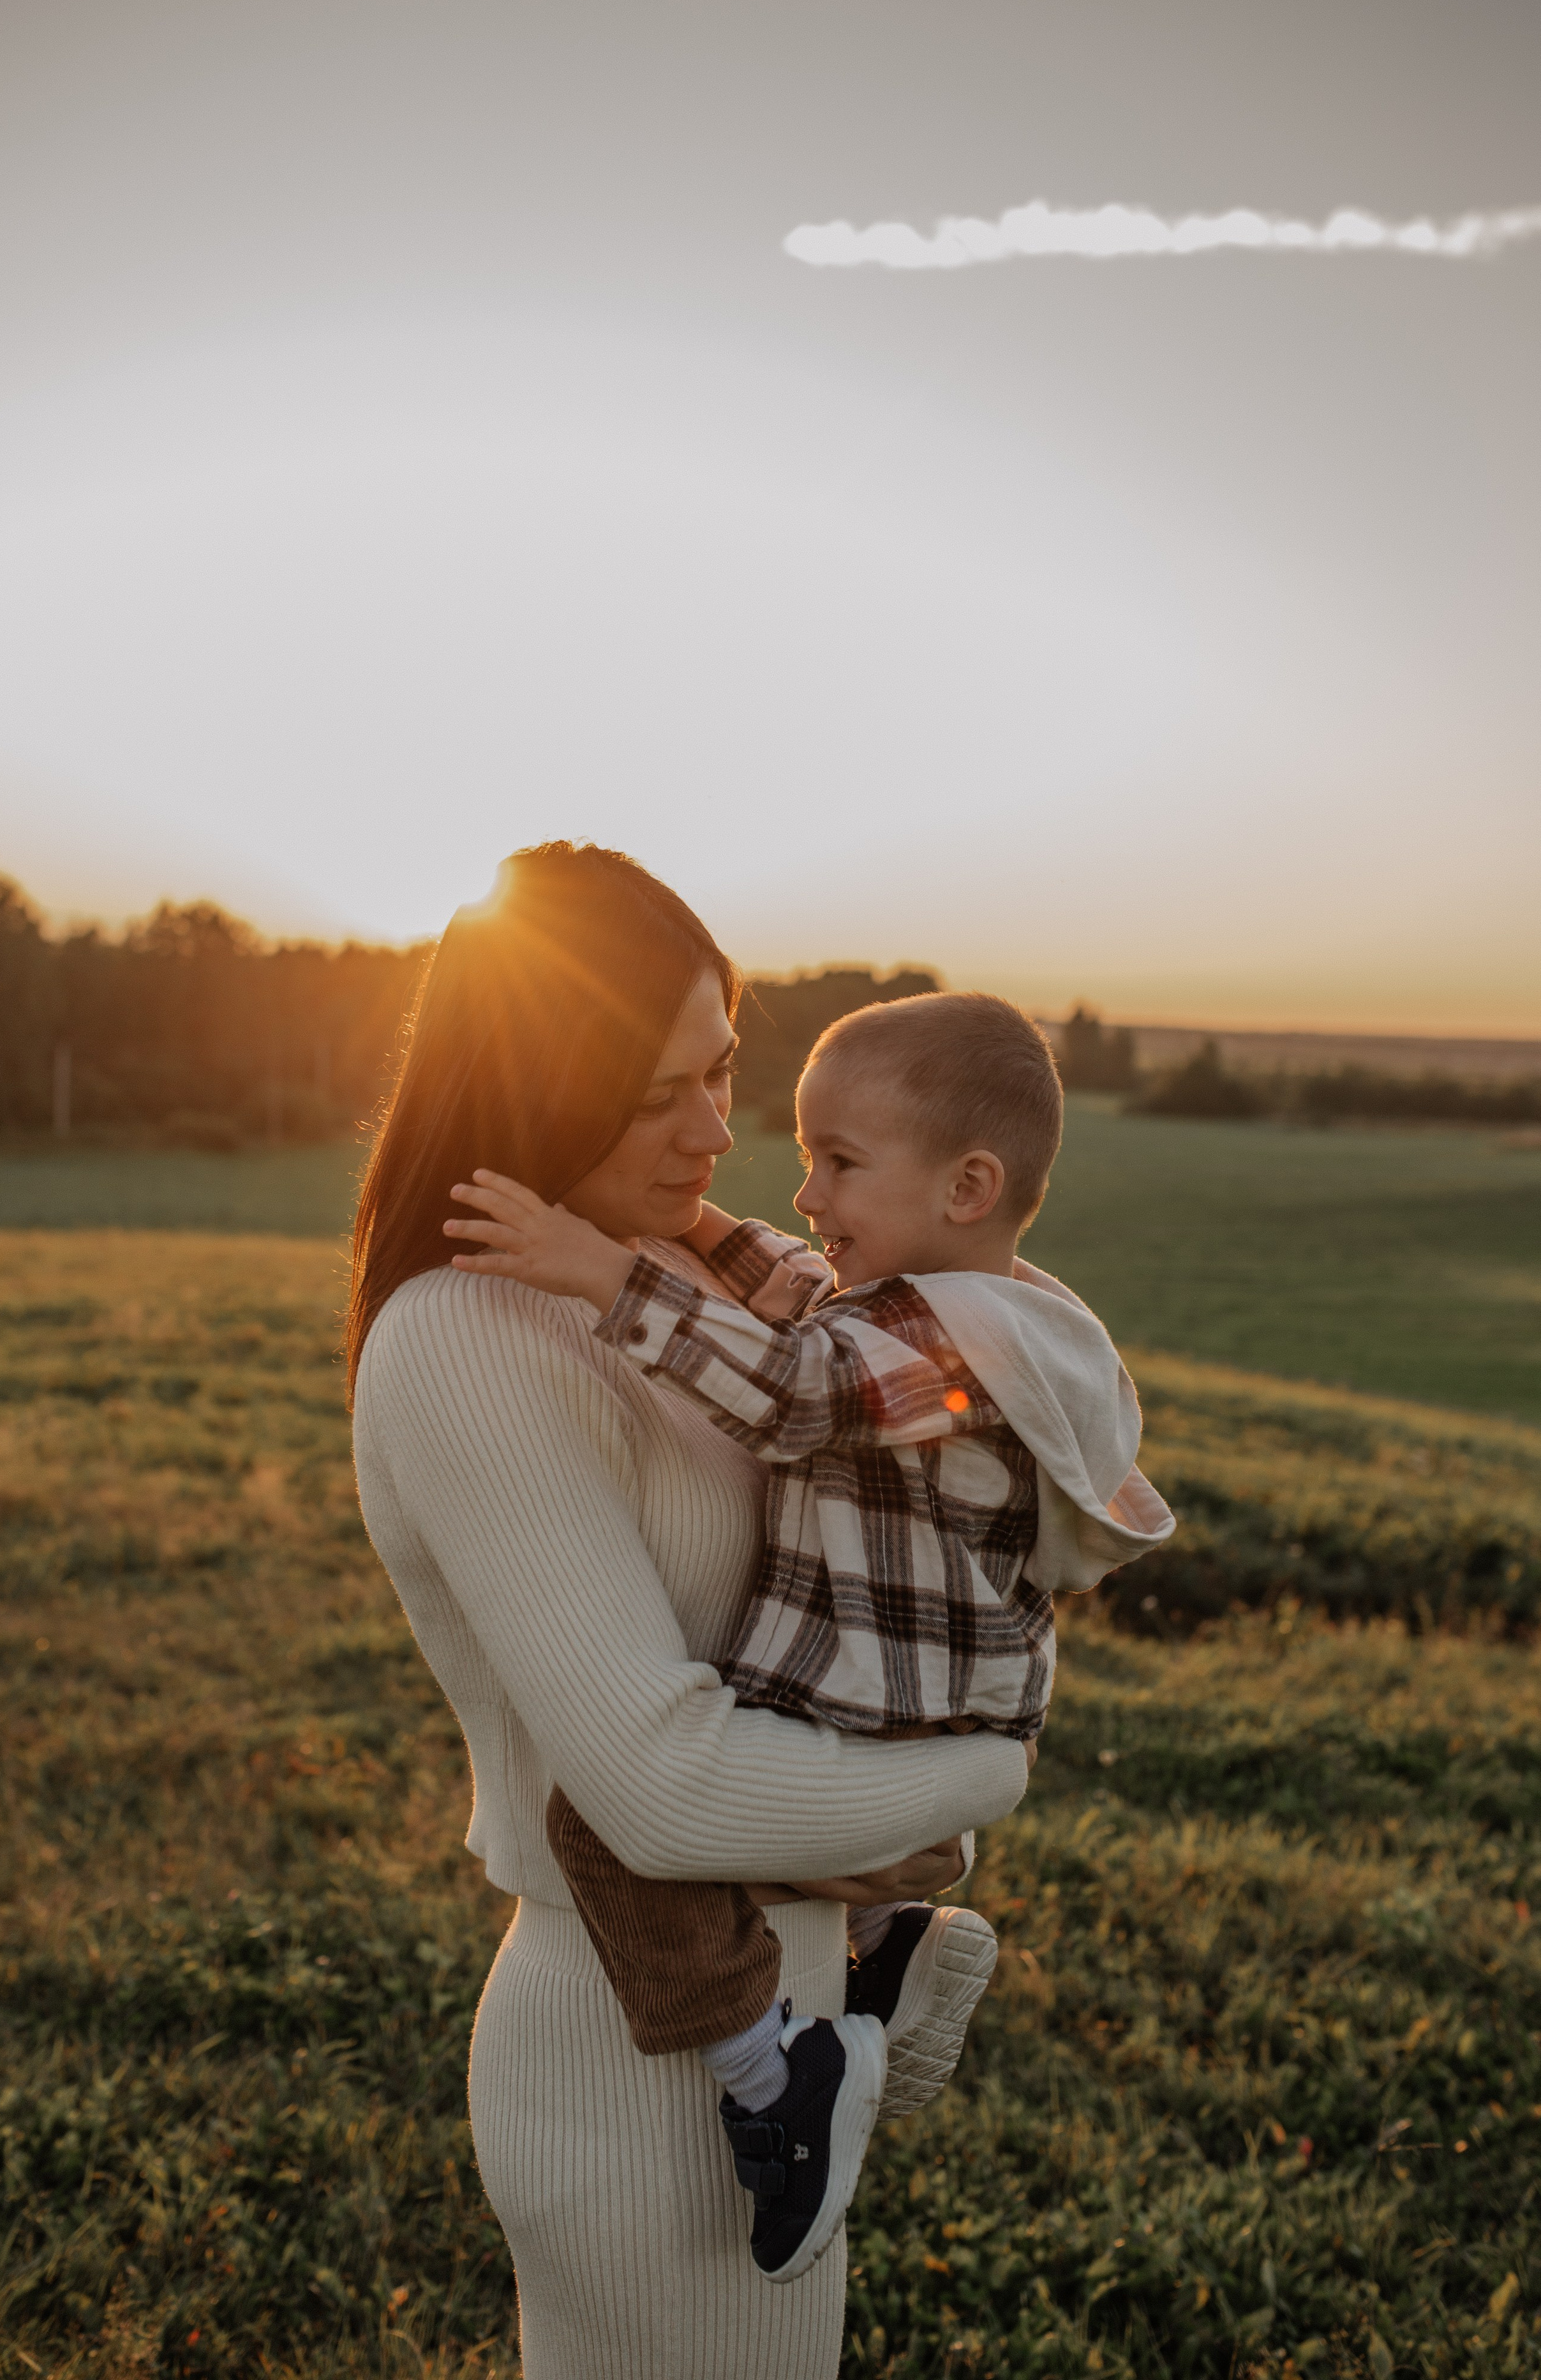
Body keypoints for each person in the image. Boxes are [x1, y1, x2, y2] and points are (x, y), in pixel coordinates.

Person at [347, 844, 1035, 2379]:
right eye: (658, 1093)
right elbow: (655, 1792)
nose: (714, 1131)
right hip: (637, 2072)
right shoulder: (464, 1338)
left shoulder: (726, 1271)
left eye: (721, 1070)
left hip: (787, 2008)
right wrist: (971, 1782)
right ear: (533, 1084)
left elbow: (944, 1390)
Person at [442, 991, 1177, 2280]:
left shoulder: (941, 1343)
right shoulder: (971, 1301)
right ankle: (888, 1948)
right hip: (921, 1698)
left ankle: (777, 2078)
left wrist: (601, 1269)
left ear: (965, 1184)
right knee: (723, 1845)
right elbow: (790, 1286)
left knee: (606, 1824)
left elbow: (792, 1390)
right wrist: (685, 1224)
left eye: (838, 1162)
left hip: (875, 1699)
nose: (804, 1187)